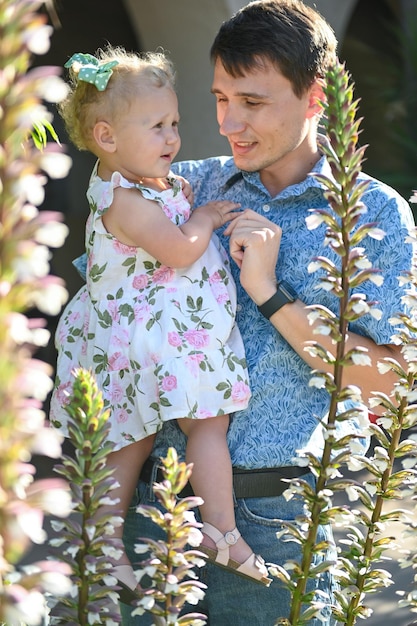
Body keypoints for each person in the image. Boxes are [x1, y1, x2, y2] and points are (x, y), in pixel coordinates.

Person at [118, 1, 416, 624]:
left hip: (277, 525)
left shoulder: (373, 214)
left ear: (314, 99)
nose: (228, 122)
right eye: (221, 98)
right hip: (152, 509)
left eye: (253, 103)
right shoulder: (187, 189)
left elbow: (393, 381)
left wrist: (270, 293)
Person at [49, 45, 272, 605]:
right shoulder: (123, 201)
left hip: (142, 337)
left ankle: (102, 543)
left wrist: (179, 198)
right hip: (157, 340)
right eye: (157, 126)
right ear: (106, 138)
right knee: (207, 422)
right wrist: (199, 217)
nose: (173, 138)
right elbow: (177, 251)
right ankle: (221, 531)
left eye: (174, 123)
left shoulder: (142, 186)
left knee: (132, 437)